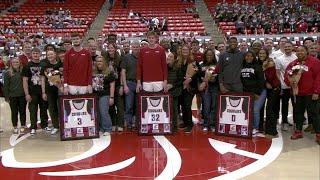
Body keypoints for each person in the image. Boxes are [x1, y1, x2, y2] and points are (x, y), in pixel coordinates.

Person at [284, 46, 320, 144]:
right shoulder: (293, 64)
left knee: (315, 114)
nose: (300, 52)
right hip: (297, 93)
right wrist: (290, 82)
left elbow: (318, 77)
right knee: (297, 113)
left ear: (307, 51)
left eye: (302, 50)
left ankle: (318, 134)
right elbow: (287, 75)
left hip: (310, 93)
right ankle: (298, 131)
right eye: (298, 51)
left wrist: (316, 91)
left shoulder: (315, 62)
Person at [22, 48, 50, 135]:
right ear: (31, 54)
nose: (35, 55)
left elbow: (45, 78)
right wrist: (26, 94)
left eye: (37, 53)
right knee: (33, 110)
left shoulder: (44, 64)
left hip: (42, 91)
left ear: (40, 54)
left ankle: (44, 125)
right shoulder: (27, 65)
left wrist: (44, 92)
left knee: (44, 109)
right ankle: (33, 127)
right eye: (34, 53)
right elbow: (25, 80)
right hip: (32, 92)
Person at [241, 51, 266, 136]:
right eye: (247, 56)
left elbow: (261, 81)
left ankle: (256, 128)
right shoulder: (241, 66)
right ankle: (249, 125)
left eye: (251, 56)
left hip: (259, 92)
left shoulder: (257, 67)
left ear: (254, 57)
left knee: (255, 110)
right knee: (247, 110)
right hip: (247, 92)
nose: (249, 57)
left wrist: (257, 93)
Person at [275, 42, 297, 131]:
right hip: (284, 86)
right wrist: (280, 84)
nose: (287, 48)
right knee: (284, 105)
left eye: (289, 46)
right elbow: (277, 73)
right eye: (286, 46)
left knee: (296, 105)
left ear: (292, 47)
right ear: (283, 48)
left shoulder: (296, 57)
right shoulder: (279, 59)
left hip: (294, 86)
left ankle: (296, 122)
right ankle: (284, 122)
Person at [259, 48, 281, 138]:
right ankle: (267, 129)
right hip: (267, 88)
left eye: (263, 53)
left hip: (274, 88)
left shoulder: (270, 62)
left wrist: (263, 69)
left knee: (270, 109)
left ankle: (273, 132)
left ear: (267, 54)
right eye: (260, 53)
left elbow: (270, 78)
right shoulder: (260, 63)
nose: (261, 55)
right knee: (267, 109)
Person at [40, 50, 63, 135]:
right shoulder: (45, 66)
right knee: (52, 108)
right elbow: (42, 79)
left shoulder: (60, 64)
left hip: (61, 90)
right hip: (49, 91)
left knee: (61, 107)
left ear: (55, 54)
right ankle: (56, 126)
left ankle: (63, 124)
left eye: (51, 54)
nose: (50, 56)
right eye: (48, 54)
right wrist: (43, 92)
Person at [92, 56, 115, 135]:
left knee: (103, 112)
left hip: (105, 95)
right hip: (95, 95)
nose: (99, 62)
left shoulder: (109, 72)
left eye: (101, 61)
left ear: (104, 62)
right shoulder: (93, 72)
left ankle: (108, 128)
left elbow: (112, 85)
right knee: (98, 112)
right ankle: (102, 128)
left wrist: (111, 97)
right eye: (97, 61)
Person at [178, 44, 199, 133]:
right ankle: (185, 122)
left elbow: (198, 73)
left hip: (190, 86)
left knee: (187, 105)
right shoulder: (179, 61)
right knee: (183, 105)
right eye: (183, 50)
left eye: (186, 50)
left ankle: (190, 124)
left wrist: (190, 79)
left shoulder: (193, 61)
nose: (185, 51)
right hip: (181, 86)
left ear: (189, 51)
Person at [3, 58, 27, 134]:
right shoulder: (7, 73)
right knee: (14, 112)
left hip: (22, 95)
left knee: (22, 111)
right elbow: (5, 86)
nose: (15, 63)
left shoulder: (23, 71)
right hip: (12, 96)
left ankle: (23, 125)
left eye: (17, 62)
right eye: (14, 62)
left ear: (20, 63)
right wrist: (6, 96)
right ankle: (15, 126)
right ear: (11, 63)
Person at [198, 49, 219, 132]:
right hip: (205, 88)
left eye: (211, 55)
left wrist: (214, 79)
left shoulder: (217, 65)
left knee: (214, 106)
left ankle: (213, 124)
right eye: (207, 55)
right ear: (205, 56)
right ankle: (206, 124)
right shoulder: (201, 64)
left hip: (214, 87)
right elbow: (199, 76)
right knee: (206, 106)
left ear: (213, 56)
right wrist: (202, 82)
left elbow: (219, 76)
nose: (209, 56)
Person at [121, 41, 140, 130]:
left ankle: (136, 123)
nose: (135, 49)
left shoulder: (141, 57)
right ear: (131, 48)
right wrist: (124, 85)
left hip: (139, 84)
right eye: (134, 47)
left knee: (138, 105)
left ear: (139, 48)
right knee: (129, 105)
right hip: (129, 83)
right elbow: (123, 72)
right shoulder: (126, 57)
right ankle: (128, 123)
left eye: (137, 47)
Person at [106, 43, 124, 131]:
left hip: (117, 85)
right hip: (108, 85)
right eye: (109, 48)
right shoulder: (105, 58)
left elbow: (121, 73)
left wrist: (121, 85)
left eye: (112, 48)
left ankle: (120, 124)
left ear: (115, 49)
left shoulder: (119, 58)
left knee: (120, 105)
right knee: (111, 106)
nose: (110, 49)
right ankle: (113, 123)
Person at [167, 52, 184, 132]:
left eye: (171, 57)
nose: (168, 58)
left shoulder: (178, 68)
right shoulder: (164, 67)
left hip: (174, 91)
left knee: (174, 109)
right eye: (168, 57)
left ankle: (174, 126)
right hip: (166, 91)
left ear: (174, 59)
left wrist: (172, 85)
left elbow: (180, 80)